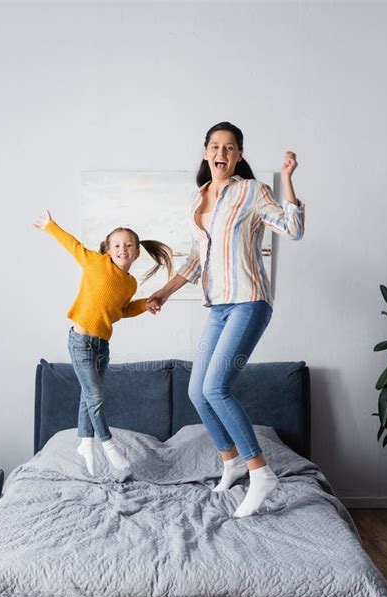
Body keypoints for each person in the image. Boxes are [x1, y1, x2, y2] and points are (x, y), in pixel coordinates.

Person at [147, 121, 305, 517]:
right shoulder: (199, 199)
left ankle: (260, 471)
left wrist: (287, 179)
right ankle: (231, 461)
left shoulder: (251, 191)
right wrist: (163, 293)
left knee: (217, 387)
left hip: (250, 302)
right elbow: (197, 259)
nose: (222, 152)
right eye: (215, 146)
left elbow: (293, 228)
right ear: (205, 152)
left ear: (238, 156)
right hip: (218, 308)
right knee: (197, 391)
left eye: (230, 147)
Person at [33, 210, 173, 476]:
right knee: (96, 397)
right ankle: (108, 446)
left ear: (137, 252)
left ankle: (85, 443)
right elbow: (72, 244)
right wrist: (51, 226)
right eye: (118, 245)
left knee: (89, 397)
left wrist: (145, 304)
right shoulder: (96, 263)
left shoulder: (130, 284)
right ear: (108, 250)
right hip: (81, 341)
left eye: (129, 245)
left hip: (101, 346)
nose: (124, 249)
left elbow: (121, 311)